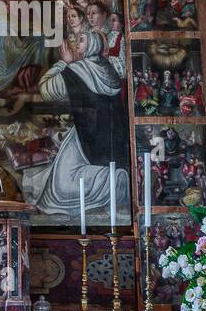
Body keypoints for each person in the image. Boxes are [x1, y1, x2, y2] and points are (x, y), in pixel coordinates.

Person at [24, 29, 130, 219]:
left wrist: (64, 62)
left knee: (61, 186)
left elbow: (46, 89)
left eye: (81, 41)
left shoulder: (78, 69)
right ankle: (112, 178)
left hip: (85, 138)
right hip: (108, 140)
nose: (76, 45)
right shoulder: (107, 69)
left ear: (92, 45)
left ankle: (110, 180)